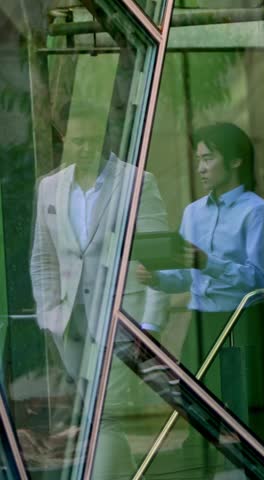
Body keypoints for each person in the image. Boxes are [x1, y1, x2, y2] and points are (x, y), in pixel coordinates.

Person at [30, 110, 170, 478]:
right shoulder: (49, 187)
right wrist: (49, 315)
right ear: (65, 140)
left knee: (107, 413)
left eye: (93, 139)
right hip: (70, 326)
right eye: (78, 140)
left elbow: (157, 255)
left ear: (107, 138)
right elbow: (42, 259)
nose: (85, 147)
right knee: (96, 413)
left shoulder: (137, 181)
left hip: (123, 320)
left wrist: (151, 323)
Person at [136, 122, 264, 442]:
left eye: (208, 158)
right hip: (201, 324)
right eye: (198, 159)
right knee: (196, 421)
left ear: (235, 161)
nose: (201, 168)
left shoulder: (259, 213)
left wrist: (208, 263)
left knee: (249, 422)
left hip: (243, 323)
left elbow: (257, 279)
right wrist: (157, 278)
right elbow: (188, 277)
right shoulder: (192, 213)